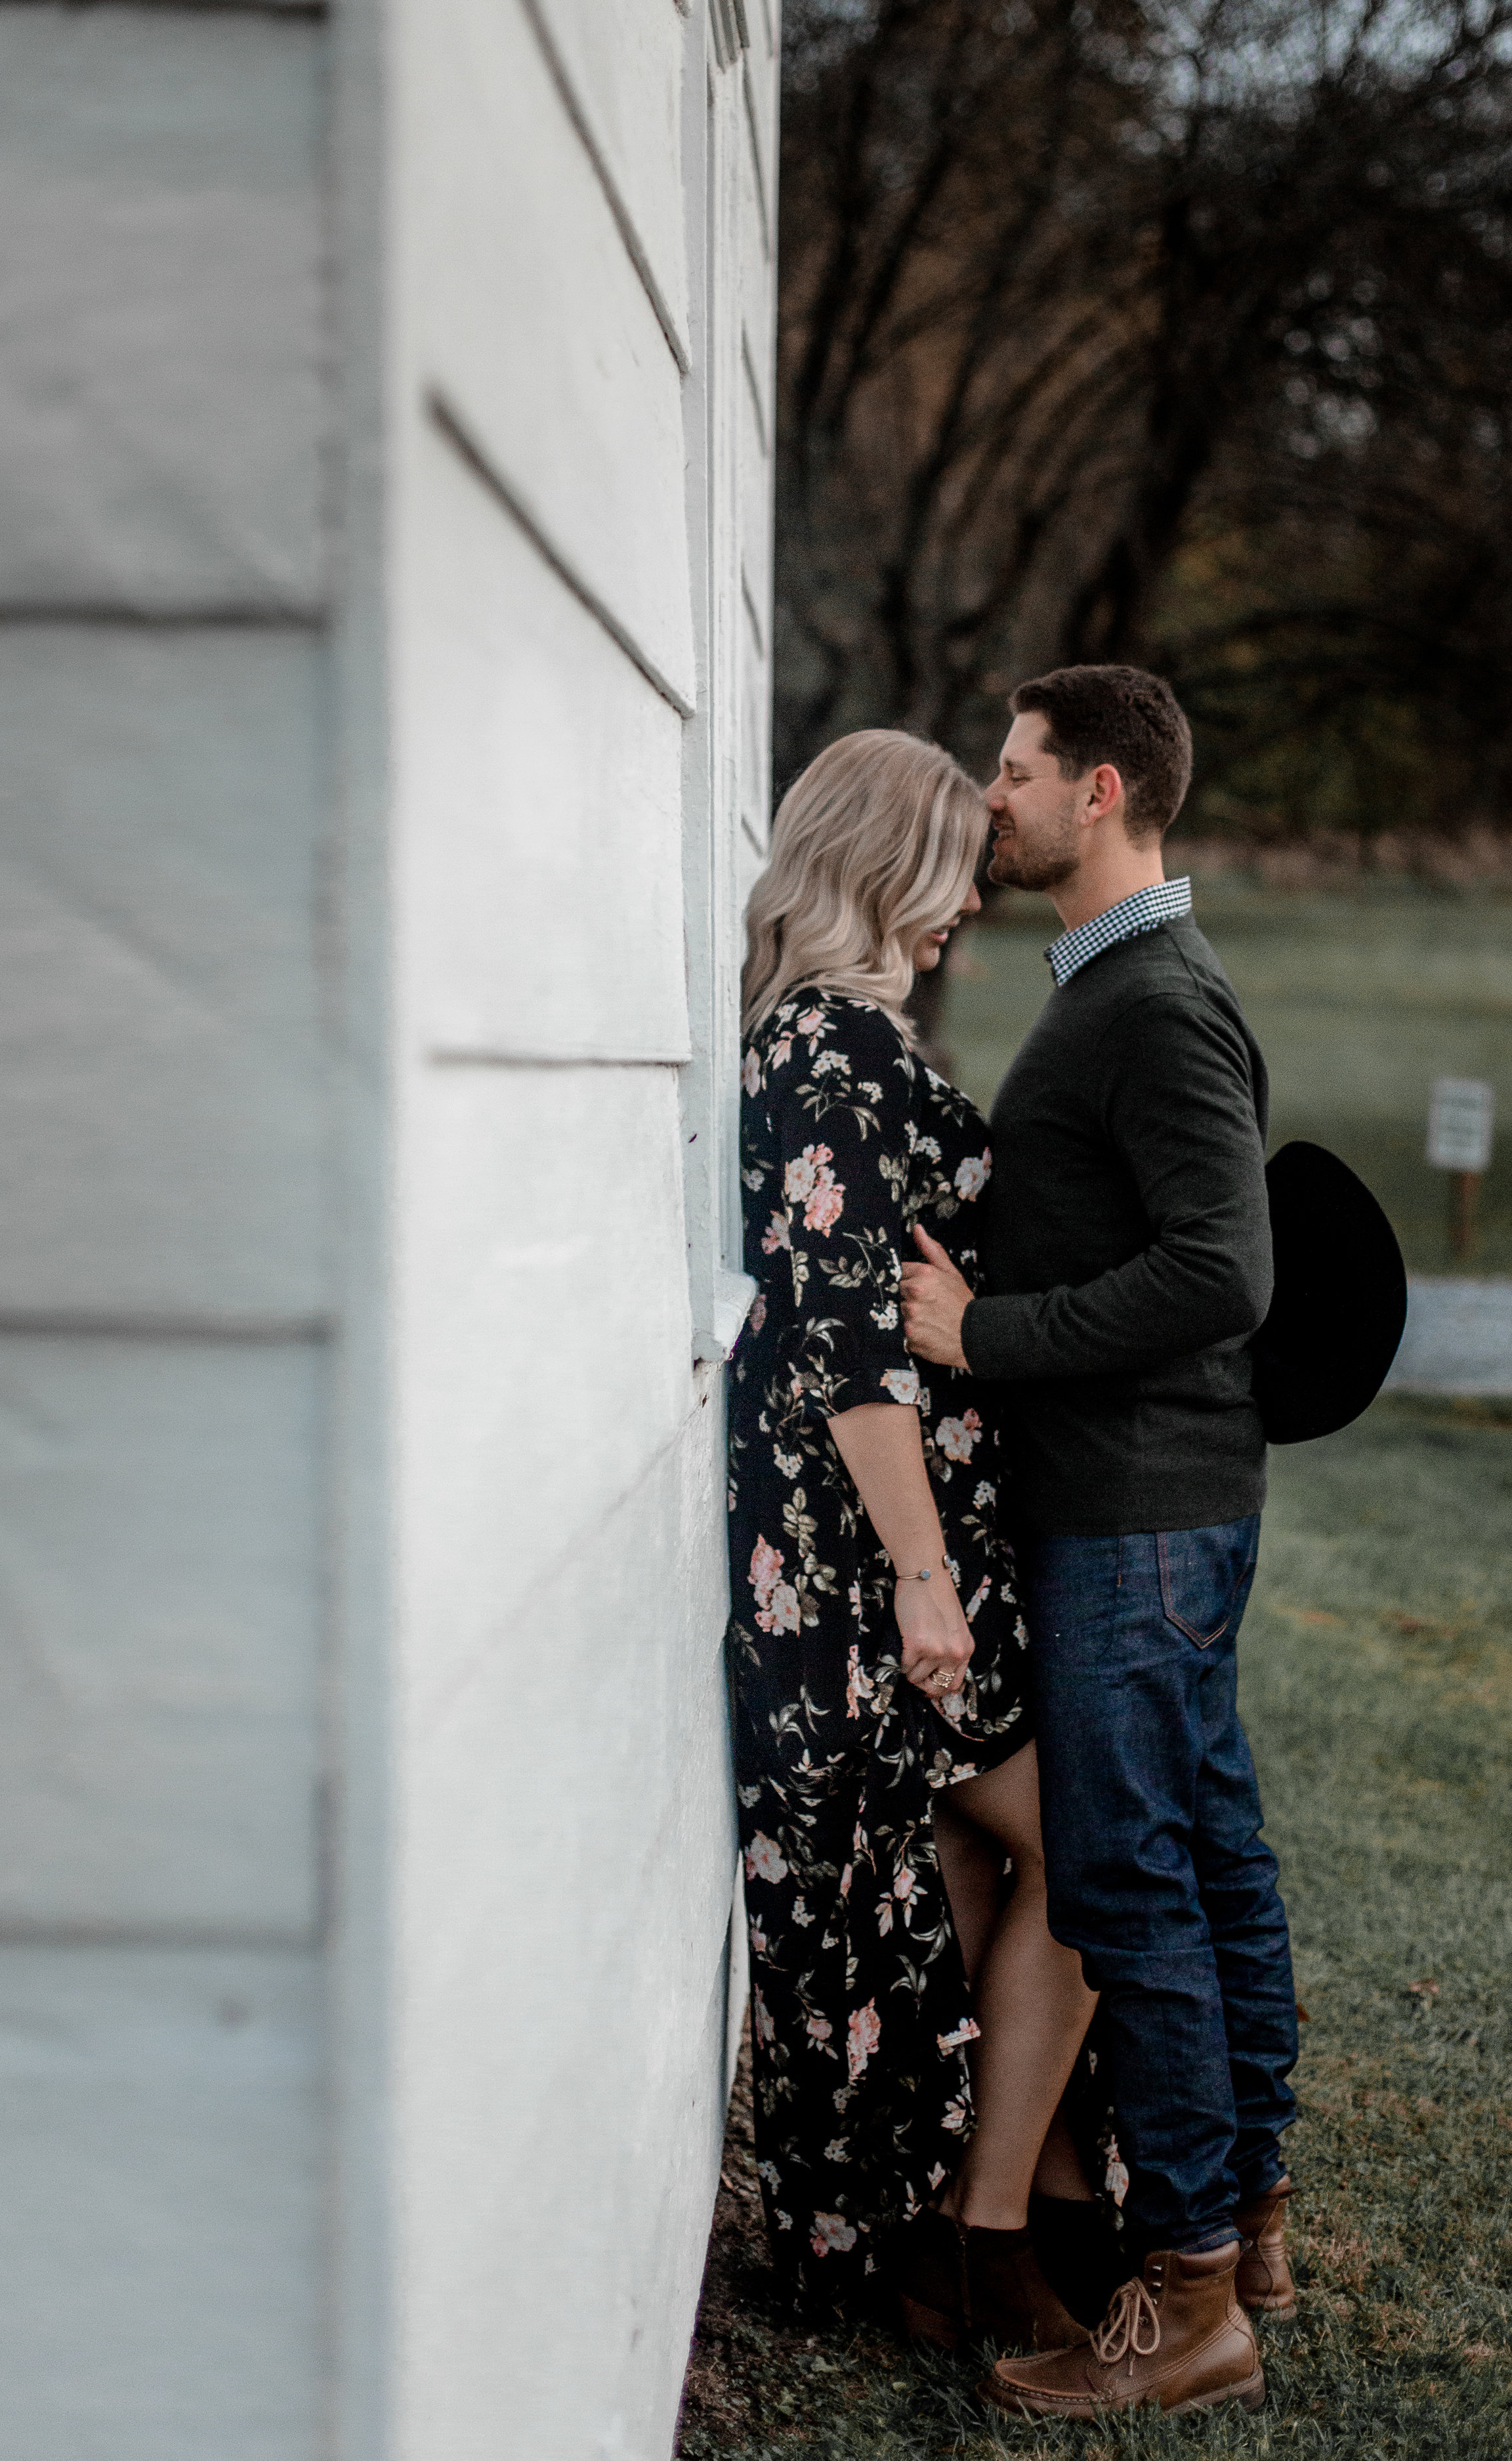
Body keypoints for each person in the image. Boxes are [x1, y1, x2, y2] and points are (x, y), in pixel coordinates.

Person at [902, 664, 1298, 2421]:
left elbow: (1225, 1270)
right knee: (1199, 1853)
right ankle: (1249, 2217)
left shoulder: (1152, 1000)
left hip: (1135, 1508)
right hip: (1141, 1501)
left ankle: (1190, 2292)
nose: (991, 798)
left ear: (1106, 789)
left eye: (1015, 772)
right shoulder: (1118, 984)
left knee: (1132, 1875)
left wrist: (983, 1335)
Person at [728, 728, 1106, 2356]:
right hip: (872, 1567)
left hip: (869, 1559)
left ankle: (988, 2211)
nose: (966, 898)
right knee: (1096, 1850)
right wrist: (923, 1577)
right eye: (950, 862)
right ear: (885, 863)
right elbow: (847, 1345)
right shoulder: (835, 1052)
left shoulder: (821, 1037)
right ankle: (981, 2227)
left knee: (954, 1867)